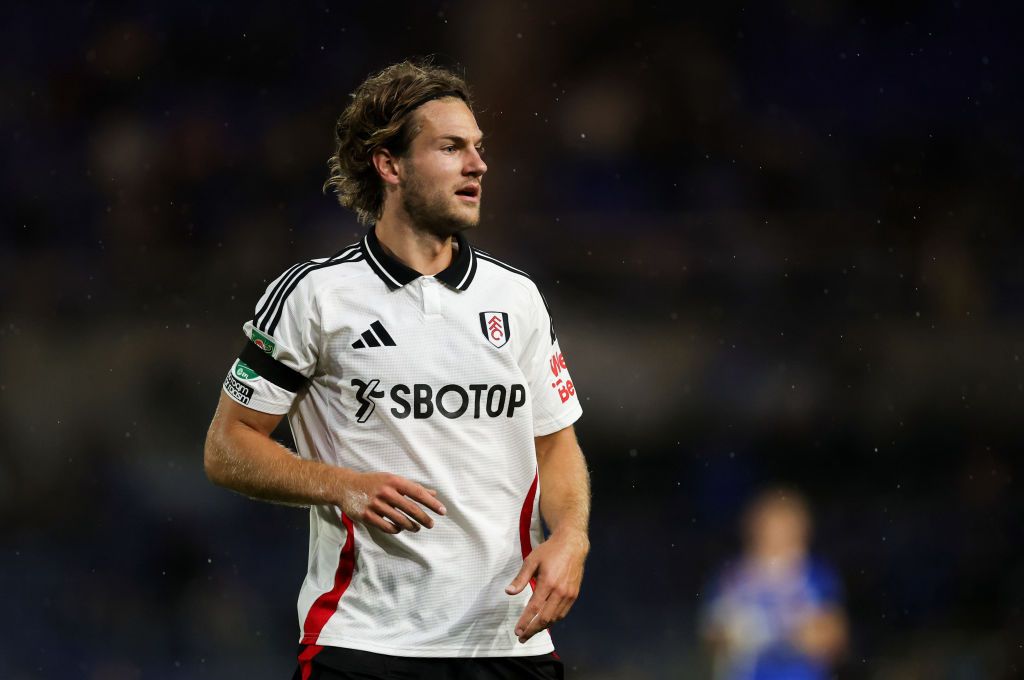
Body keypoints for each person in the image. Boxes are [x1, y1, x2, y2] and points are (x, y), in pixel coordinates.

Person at [203, 60, 590, 680]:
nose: (478, 164)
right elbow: (227, 447)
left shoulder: (516, 298)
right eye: (451, 147)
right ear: (390, 165)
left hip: (508, 645)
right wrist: (344, 485)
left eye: (479, 148)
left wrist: (572, 535)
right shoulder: (315, 297)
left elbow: (557, 443)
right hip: (367, 647)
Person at [701, 488, 848, 680]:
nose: (778, 533)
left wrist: (787, 634)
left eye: (787, 525)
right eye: (771, 524)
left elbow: (835, 637)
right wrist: (734, 633)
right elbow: (710, 636)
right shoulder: (732, 577)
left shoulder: (815, 575)